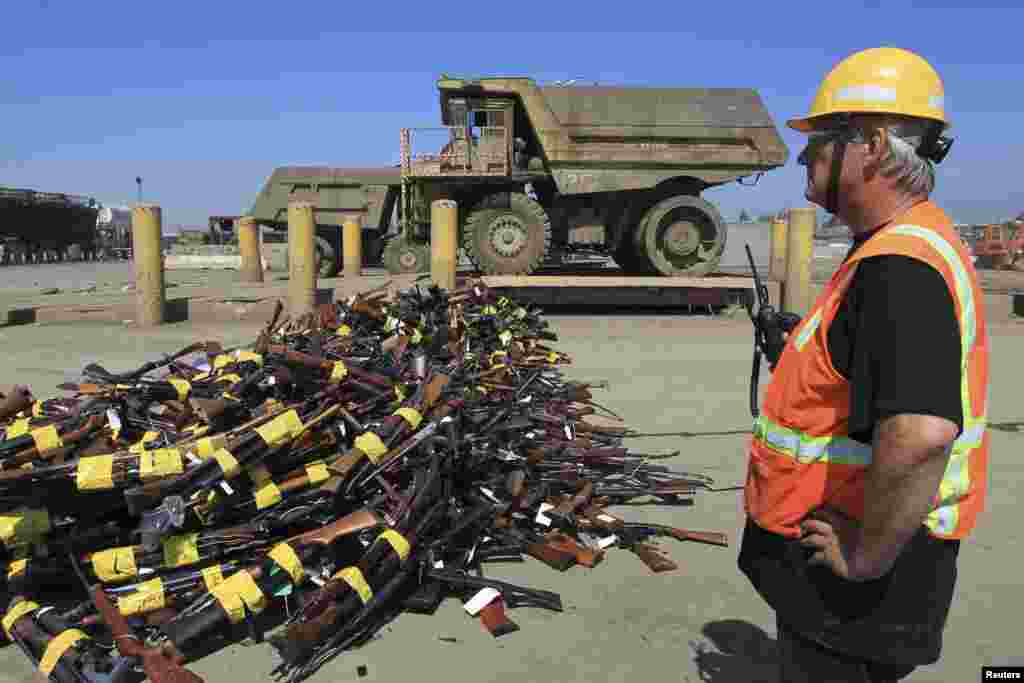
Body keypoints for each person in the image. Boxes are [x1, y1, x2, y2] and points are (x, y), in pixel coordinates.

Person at [737, 47, 989, 682]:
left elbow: (921, 433)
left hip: (855, 597)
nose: (804, 157)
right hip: (849, 579)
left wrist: (865, 555)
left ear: (873, 145)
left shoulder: (898, 268)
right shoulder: (898, 245)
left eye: (821, 141)